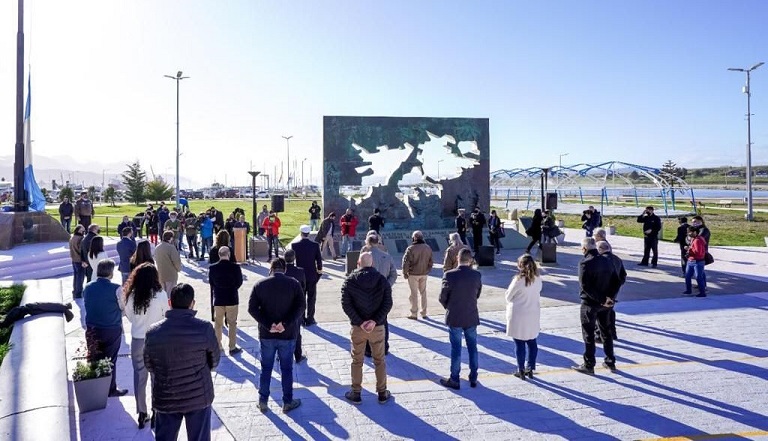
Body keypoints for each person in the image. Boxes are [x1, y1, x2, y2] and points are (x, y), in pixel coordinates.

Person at [144, 283, 220, 440]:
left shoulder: (153, 332)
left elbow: (149, 364)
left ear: (170, 303)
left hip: (166, 396)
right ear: (192, 303)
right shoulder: (204, 328)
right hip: (198, 395)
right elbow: (214, 361)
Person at [248, 258, 305, 413]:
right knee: (286, 368)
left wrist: (269, 324)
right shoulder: (294, 284)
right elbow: (301, 306)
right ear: (284, 269)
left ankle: (263, 401)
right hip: (287, 334)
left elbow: (252, 309)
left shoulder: (260, 285)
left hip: (267, 334)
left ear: (271, 269)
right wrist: (285, 324)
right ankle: (287, 401)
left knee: (266, 368)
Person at [341, 252, 393, 404]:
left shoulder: (350, 280)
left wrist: (360, 322)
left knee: (357, 360)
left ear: (358, 263)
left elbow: (346, 304)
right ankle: (382, 392)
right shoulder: (382, 280)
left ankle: (356, 392)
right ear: (373, 264)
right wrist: (374, 321)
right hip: (377, 327)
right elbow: (387, 303)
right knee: (380, 360)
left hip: (358, 328)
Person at [123, 263, 168, 429]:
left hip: (137, 339)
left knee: (140, 378)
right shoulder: (160, 294)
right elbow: (166, 315)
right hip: (156, 339)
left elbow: (128, 315)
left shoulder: (131, 296)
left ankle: (142, 412)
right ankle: (156, 410)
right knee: (157, 378)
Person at [572, 238, 620, 374]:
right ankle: (610, 361)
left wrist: (601, 300)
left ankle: (589, 364)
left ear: (584, 249)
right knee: (606, 332)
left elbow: (585, 286)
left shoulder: (584, 263)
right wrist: (609, 298)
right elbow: (617, 281)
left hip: (590, 304)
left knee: (589, 334)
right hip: (606, 304)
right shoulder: (607, 260)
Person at [437, 248, 482, 390]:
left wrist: (449, 307)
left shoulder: (449, 275)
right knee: (472, 347)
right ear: (470, 260)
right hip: (470, 315)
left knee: (456, 348)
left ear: (457, 258)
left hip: (455, 316)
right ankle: (473, 376)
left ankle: (455, 379)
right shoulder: (476, 275)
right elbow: (477, 294)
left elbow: (442, 297)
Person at [83, 259, 127, 397]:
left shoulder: (88, 286)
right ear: (111, 273)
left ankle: (95, 386)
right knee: (110, 359)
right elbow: (123, 307)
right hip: (111, 328)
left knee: (95, 357)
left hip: (92, 327)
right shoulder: (116, 288)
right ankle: (110, 389)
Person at [505, 254, 542, 380]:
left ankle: (520, 369)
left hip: (519, 314)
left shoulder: (518, 280)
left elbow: (508, 296)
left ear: (520, 265)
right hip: (533, 312)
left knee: (519, 342)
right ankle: (530, 367)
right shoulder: (538, 279)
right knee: (532, 342)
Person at [363, 232, 397, 357]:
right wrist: (386, 286)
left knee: (367, 320)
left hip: (368, 293)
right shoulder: (387, 256)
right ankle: (384, 347)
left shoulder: (365, 256)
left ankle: (368, 349)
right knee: (383, 320)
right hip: (383, 294)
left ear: (368, 242)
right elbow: (393, 274)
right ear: (378, 242)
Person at [208, 246, 244, 355]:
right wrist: (232, 288)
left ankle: (218, 346)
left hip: (218, 298)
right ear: (228, 254)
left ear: (219, 255)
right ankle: (232, 347)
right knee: (232, 323)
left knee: (218, 324)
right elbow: (239, 282)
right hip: (232, 298)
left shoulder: (212, 268)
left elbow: (211, 282)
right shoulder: (235, 267)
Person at [289, 225, 323, 326]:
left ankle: (301, 317)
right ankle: (310, 318)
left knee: (301, 298)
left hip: (300, 276)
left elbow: (293, 261)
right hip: (312, 275)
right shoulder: (315, 245)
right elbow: (319, 262)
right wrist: (319, 273)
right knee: (311, 298)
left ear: (301, 233)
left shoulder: (295, 246)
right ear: (308, 234)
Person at [596, 241, 626, 343]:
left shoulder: (600, 260)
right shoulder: (617, 259)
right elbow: (623, 275)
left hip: (603, 291)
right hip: (613, 292)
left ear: (600, 249)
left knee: (600, 314)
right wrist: (617, 286)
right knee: (610, 312)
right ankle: (613, 333)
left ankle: (600, 335)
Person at [402, 230, 434, 319]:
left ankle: (414, 313)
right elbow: (431, 261)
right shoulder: (428, 247)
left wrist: (405, 272)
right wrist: (428, 270)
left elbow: (406, 262)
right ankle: (424, 313)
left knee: (414, 293)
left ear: (414, 238)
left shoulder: (410, 248)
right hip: (424, 273)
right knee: (423, 293)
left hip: (413, 274)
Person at [283, 249, 307, 363]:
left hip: (284, 306)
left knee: (283, 331)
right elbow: (303, 287)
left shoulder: (282, 272)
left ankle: (282, 354)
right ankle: (298, 355)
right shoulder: (300, 271)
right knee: (297, 331)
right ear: (294, 259)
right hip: (296, 306)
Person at [683, 226, 707, 298]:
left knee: (698, 277)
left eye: (689, 232)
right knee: (687, 276)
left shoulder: (697, 240)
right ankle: (688, 290)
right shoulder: (694, 239)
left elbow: (698, 252)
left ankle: (702, 293)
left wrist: (688, 249)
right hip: (691, 260)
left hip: (697, 261)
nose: (688, 233)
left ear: (695, 232)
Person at [69, 225, 86, 299]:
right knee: (80, 277)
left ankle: (75, 291)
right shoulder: (80, 239)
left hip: (74, 260)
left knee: (76, 276)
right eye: (83, 230)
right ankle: (79, 293)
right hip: (79, 260)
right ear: (79, 230)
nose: (84, 232)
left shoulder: (72, 237)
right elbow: (81, 250)